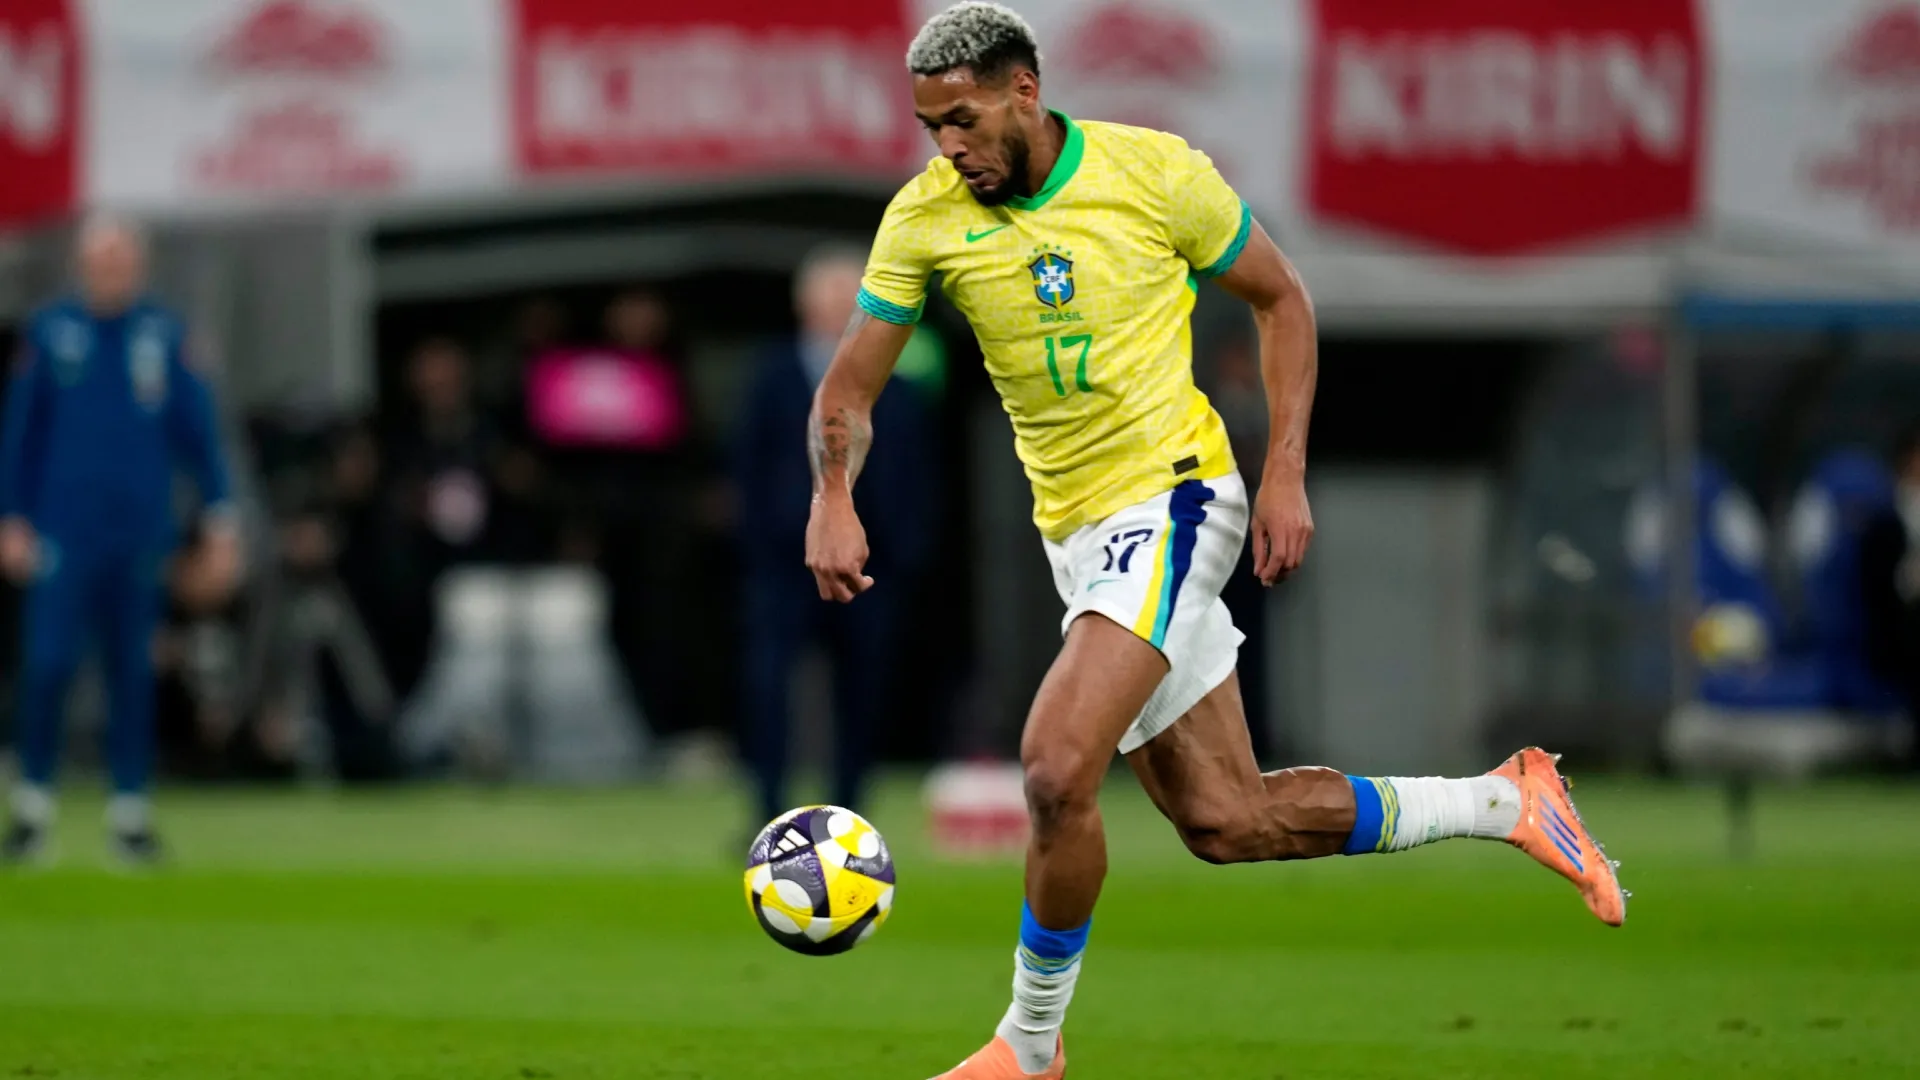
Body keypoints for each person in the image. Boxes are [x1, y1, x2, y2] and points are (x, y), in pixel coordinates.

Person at [800, 6, 1628, 1077]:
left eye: (961, 120)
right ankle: (1507, 801)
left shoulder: (1153, 174)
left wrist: (1283, 471)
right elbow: (849, 389)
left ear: (1023, 91)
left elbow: (1281, 301)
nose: (948, 147)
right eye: (929, 128)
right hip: (1081, 536)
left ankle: (1031, 1047)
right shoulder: (923, 218)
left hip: (1178, 497)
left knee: (1055, 771)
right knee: (1228, 820)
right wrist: (833, 494)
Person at [0, 214, 240, 864]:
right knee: (47, 668)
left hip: (139, 536)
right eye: (101, 257)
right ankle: (32, 810)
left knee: (132, 673)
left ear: (138, 264)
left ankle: (129, 816)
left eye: (121, 258)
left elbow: (199, 437)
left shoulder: (164, 336)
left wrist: (221, 520)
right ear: (84, 264)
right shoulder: (53, 333)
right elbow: (21, 434)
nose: (111, 269)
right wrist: (11, 517)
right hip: (64, 533)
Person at [737, 244, 933, 825]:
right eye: (832, 298)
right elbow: (746, 467)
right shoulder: (770, 377)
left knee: (865, 688)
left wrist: (904, 552)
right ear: (805, 305)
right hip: (783, 565)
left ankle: (850, 811)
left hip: (872, 567)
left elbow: (917, 474)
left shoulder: (900, 382)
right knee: (769, 686)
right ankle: (766, 807)